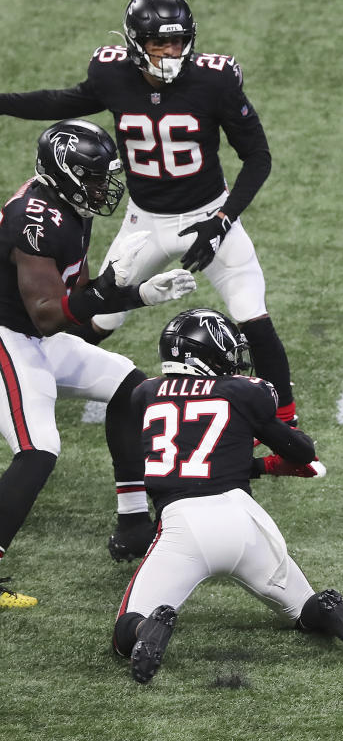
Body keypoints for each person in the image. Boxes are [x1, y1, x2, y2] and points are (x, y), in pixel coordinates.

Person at [0, 0, 301, 456]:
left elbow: (258, 158)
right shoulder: (112, 72)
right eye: (161, 43)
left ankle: (288, 429)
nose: (171, 52)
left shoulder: (214, 80)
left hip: (208, 212)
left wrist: (222, 220)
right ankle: (28, 381)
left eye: (178, 42)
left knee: (253, 317)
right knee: (95, 313)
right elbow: (64, 101)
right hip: (143, 220)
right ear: (136, 41)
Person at [112, 308, 343, 683]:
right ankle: (334, 611)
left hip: (182, 526)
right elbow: (299, 451)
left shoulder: (145, 394)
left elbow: (189, 458)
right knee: (303, 610)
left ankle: (146, 631)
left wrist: (257, 464)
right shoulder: (242, 392)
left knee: (126, 629)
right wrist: (273, 461)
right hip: (244, 521)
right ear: (205, 355)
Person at [0, 119, 196, 607]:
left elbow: (77, 307)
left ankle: (133, 522)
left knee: (128, 384)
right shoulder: (36, 219)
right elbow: (48, 316)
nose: (101, 187)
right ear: (64, 174)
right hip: (8, 336)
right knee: (39, 447)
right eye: (92, 176)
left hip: (33, 336)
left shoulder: (70, 205)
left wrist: (136, 296)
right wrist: (110, 290)